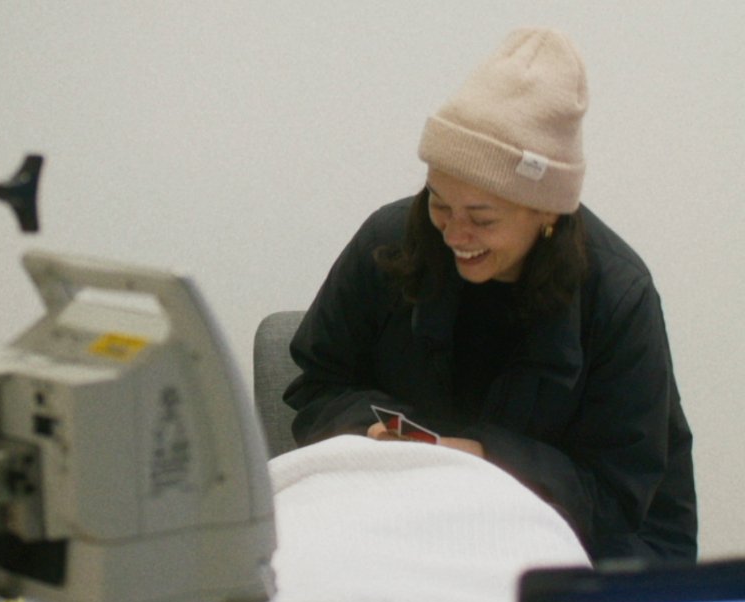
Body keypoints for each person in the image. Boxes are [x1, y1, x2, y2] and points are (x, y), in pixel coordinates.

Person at [284, 28, 696, 564]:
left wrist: (482, 461)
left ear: (548, 213)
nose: (454, 234)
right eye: (439, 204)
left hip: (585, 543)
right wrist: (372, 433)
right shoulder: (389, 244)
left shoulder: (618, 297)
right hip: (408, 514)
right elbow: (315, 384)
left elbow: (618, 495)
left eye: (482, 218)